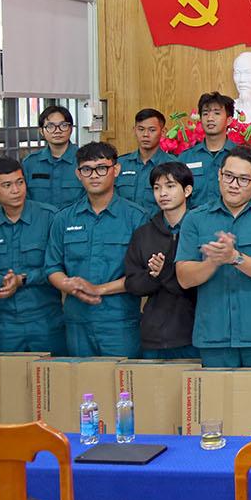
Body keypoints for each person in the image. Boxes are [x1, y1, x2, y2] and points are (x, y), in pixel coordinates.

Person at [175, 145, 251, 368]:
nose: (234, 185)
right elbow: (184, 277)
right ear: (219, 175)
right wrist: (213, 262)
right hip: (214, 337)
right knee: (217, 403)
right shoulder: (195, 219)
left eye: (243, 179)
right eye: (228, 176)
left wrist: (236, 258)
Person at [43, 142, 148, 357]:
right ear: (78, 174)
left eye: (102, 168)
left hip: (120, 321)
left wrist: (99, 289)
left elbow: (143, 275)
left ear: (115, 170)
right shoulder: (64, 218)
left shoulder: (136, 217)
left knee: (122, 387)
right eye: (87, 169)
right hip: (77, 321)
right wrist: (69, 285)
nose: (94, 175)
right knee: (83, 386)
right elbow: (52, 266)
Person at [0, 157, 63, 352]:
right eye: (7, 185)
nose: (16, 190)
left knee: (52, 380)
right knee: (8, 380)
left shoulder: (49, 217)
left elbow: (59, 265)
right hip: (6, 325)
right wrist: (1, 281)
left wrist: (22, 279)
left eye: (20, 182)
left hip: (47, 322)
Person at [123, 161, 198, 358]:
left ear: (187, 190)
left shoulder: (201, 230)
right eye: (157, 188)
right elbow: (132, 284)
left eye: (170, 186)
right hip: (154, 335)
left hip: (194, 334)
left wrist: (165, 272)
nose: (162, 193)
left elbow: (199, 284)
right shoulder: (143, 234)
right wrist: (154, 275)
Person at [179, 92, 235, 209]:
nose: (210, 118)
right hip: (195, 223)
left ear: (229, 120)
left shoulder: (240, 156)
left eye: (217, 113)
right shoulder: (185, 158)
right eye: (205, 114)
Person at [23, 104, 82, 210]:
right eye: (50, 126)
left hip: (74, 223)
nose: (57, 130)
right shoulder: (30, 163)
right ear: (41, 131)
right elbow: (24, 199)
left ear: (71, 129)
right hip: (40, 223)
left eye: (63, 125)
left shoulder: (84, 160)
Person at [116, 108, 165, 217]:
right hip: (125, 228)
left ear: (163, 132)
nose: (145, 134)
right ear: (134, 130)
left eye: (152, 130)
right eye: (141, 129)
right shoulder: (120, 164)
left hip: (157, 229)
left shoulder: (172, 165)